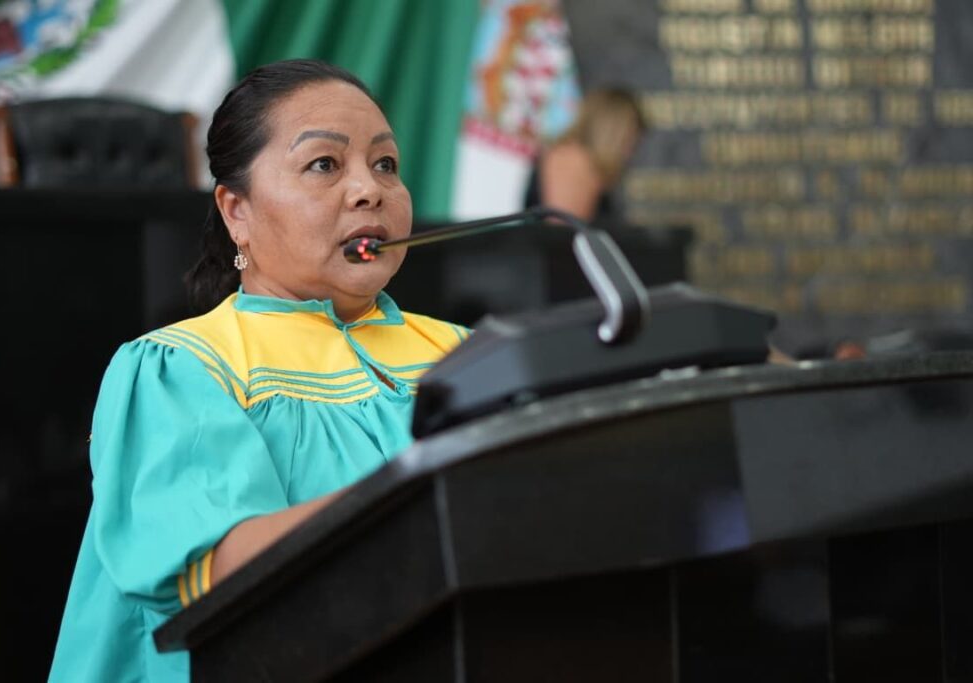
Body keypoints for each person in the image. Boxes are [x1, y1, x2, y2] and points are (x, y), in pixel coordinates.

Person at [49, 59, 470, 683]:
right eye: (324, 164)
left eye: (385, 164)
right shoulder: (180, 368)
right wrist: (429, 495)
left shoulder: (464, 352)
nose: (370, 189)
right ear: (237, 210)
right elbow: (222, 576)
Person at [524, 87, 646, 224]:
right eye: (629, 140)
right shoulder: (573, 159)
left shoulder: (576, 157)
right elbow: (565, 229)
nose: (630, 153)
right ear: (612, 133)